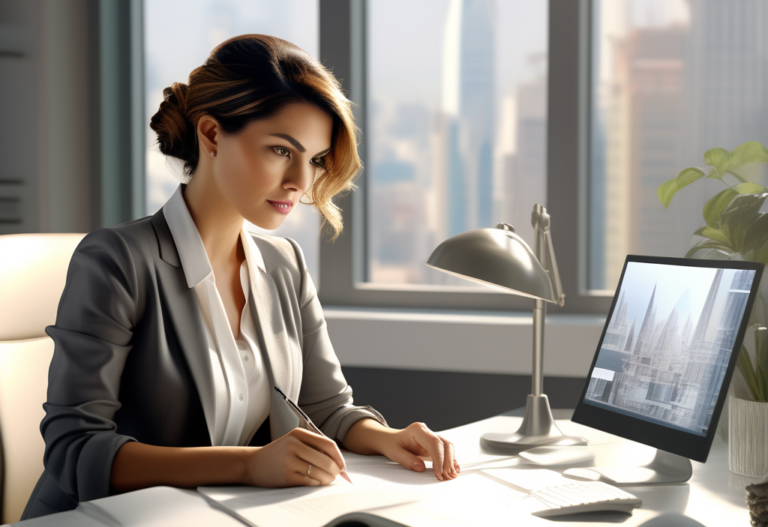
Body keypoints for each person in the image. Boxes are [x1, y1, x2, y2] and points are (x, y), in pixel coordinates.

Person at [21, 34, 459, 520]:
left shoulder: (284, 263)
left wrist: (388, 438)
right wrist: (250, 466)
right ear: (210, 135)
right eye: (279, 150)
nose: (301, 181)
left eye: (314, 160)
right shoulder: (117, 260)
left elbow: (325, 409)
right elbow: (75, 449)